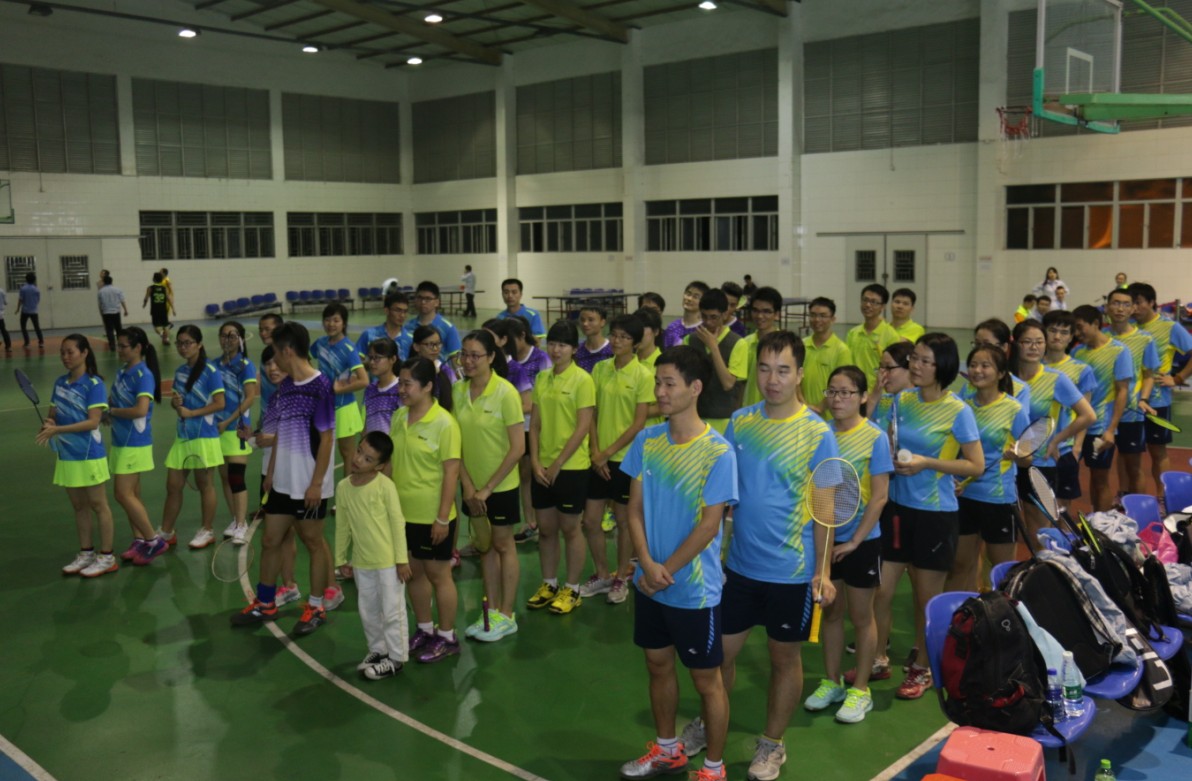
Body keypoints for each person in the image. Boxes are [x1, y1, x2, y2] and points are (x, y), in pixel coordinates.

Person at [682, 332, 841, 779]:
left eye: (783, 370)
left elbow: (826, 508)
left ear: (800, 374)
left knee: (783, 658)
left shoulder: (818, 433)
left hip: (792, 571)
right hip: (739, 567)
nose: (773, 380)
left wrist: (823, 571)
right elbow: (723, 492)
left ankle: (772, 744)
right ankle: (708, 721)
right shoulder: (741, 422)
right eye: (766, 369)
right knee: (718, 657)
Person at [619, 346, 737, 781]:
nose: (660, 392)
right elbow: (633, 509)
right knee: (657, 665)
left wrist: (662, 570)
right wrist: (647, 565)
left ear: (695, 388)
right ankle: (667, 750)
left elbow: (710, 525)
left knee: (707, 681)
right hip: (650, 581)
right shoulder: (647, 440)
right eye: (658, 383)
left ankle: (714, 768)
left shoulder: (717, 452)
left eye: (669, 383)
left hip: (694, 590)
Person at [874, 333, 983, 700]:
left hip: (935, 514)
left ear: (943, 367)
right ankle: (878, 658)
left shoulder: (958, 410)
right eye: (914, 359)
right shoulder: (901, 400)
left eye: (924, 361)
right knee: (880, 590)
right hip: (897, 509)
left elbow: (975, 465)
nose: (915, 366)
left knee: (925, 597)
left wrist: (928, 463)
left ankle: (922, 668)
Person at [231, 322, 336, 636]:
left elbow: (327, 439)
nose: (274, 359)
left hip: (309, 483)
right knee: (270, 540)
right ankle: (265, 602)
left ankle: (315, 607)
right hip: (282, 482)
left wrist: (316, 484)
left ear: (288, 350)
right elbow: (281, 432)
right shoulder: (286, 387)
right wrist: (272, 471)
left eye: (276, 351)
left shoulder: (321, 386)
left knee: (313, 542)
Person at [805, 365, 890, 727]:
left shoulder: (875, 437)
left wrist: (855, 541)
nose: (838, 399)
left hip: (862, 541)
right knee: (831, 613)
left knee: (861, 616)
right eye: (832, 392)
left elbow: (880, 496)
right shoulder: (820, 434)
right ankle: (832, 681)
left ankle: (860, 689)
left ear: (863, 396)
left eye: (846, 393)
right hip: (825, 538)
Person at [454, 329, 525, 642]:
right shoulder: (458, 391)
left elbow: (518, 448)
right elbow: (455, 444)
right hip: (471, 486)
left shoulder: (506, 393)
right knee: (485, 548)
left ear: (491, 357)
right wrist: (469, 486)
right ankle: (491, 611)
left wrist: (487, 489)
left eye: (475, 355)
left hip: (501, 486)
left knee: (503, 545)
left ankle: (507, 615)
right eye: (464, 354)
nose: (468, 361)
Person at [390, 358, 462, 663]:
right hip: (403, 514)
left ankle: (447, 637)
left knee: (438, 575)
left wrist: (442, 518)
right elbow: (392, 465)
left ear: (428, 386)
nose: (401, 389)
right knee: (414, 573)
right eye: (400, 383)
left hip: (433, 516)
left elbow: (451, 473)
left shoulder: (444, 423)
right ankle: (424, 628)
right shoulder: (399, 417)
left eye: (407, 383)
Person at [579, 314, 652, 605]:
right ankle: (602, 573)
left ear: (635, 343)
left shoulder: (643, 375)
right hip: (598, 458)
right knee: (591, 520)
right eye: (615, 335)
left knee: (624, 521)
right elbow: (592, 413)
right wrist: (596, 453)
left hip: (627, 459)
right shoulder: (600, 369)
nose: (617, 341)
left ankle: (621, 576)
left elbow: (638, 423)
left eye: (624, 337)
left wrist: (607, 453)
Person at [947, 345, 1028, 593]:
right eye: (973, 365)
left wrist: (1018, 456)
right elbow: (951, 450)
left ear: (1001, 373)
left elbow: (1028, 459)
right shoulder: (961, 407)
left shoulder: (1014, 409)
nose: (977, 371)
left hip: (998, 497)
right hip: (964, 496)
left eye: (985, 366)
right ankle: (964, 612)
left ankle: (1004, 613)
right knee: (960, 566)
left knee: (1003, 571)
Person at [527, 320, 596, 615]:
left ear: (574, 349)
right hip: (541, 466)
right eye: (552, 344)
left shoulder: (583, 380)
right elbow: (535, 425)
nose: (556, 350)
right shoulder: (542, 379)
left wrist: (557, 463)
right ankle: (549, 584)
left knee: (570, 528)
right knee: (545, 529)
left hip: (572, 467)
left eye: (563, 345)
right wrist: (534, 461)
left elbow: (583, 427)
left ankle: (572, 588)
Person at [37, 334, 116, 577]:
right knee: (79, 506)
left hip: (89, 454)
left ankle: (107, 557)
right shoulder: (60, 383)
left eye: (70, 352)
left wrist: (57, 430)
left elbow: (93, 422)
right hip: (67, 454)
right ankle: (86, 553)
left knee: (98, 505)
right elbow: (53, 414)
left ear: (84, 353)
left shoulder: (94, 384)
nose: (65, 357)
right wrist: (50, 423)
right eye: (62, 352)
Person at [335, 431, 411, 680]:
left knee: (392, 611)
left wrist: (401, 560)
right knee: (368, 610)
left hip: (388, 563)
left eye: (368, 459)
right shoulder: (343, 487)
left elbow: (397, 523)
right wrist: (340, 559)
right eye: (359, 452)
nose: (358, 459)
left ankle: (397, 658)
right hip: (362, 562)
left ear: (379, 466)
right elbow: (342, 526)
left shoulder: (385, 486)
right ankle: (378, 649)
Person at [1009, 319, 1095, 535]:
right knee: (1010, 530)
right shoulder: (1006, 379)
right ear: (1016, 344)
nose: (1034, 347)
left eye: (1039, 342)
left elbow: (1088, 415)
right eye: (1027, 342)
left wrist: (1056, 440)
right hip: (1007, 463)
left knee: (1040, 531)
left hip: (1040, 463)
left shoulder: (1056, 379)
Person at [158, 325, 226, 550]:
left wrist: (192, 413)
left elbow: (220, 403)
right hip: (183, 436)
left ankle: (207, 530)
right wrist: (175, 404)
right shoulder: (180, 372)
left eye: (187, 343)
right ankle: (166, 532)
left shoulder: (210, 371)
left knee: (205, 484)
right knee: (173, 485)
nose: (183, 347)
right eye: (179, 343)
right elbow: (178, 403)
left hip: (204, 436)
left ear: (199, 344)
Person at [108, 327, 167, 566]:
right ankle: (139, 540)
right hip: (120, 439)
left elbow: (141, 410)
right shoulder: (122, 372)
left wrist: (111, 412)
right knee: (133, 494)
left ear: (138, 347)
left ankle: (153, 541)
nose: (119, 350)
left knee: (122, 494)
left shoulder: (144, 374)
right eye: (118, 345)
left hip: (134, 442)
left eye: (124, 346)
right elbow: (114, 401)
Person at [1129, 283, 1192, 500]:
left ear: (1151, 303)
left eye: (1138, 302)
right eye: (1131, 303)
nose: (1134, 308)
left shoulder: (1169, 327)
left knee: (1157, 451)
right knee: (1129, 454)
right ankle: (1130, 498)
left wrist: (1178, 378)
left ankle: (1164, 498)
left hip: (1157, 401)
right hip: (1128, 403)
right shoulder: (1128, 327)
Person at [1069, 305, 1132, 511]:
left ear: (1096, 324)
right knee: (1070, 476)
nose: (1077, 333)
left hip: (1100, 427)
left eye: (1080, 327)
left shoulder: (1119, 351)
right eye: (1074, 329)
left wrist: (1111, 429)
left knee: (1099, 478)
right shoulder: (1077, 351)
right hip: (1076, 426)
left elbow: (1122, 391)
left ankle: (1101, 523)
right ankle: (1093, 519)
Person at [1104, 287, 1159, 497]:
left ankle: (1139, 510)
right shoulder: (1100, 337)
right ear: (1107, 307)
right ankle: (1118, 503)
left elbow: (1149, 374)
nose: (1120, 308)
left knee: (1133, 466)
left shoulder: (1145, 339)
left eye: (1126, 304)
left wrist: (1143, 398)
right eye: (1116, 303)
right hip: (1103, 415)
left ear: (1132, 308)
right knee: (1101, 470)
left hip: (1131, 413)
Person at [505, 316, 551, 545]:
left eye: (510, 339)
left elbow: (546, 395)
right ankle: (530, 522)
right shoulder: (508, 361)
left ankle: (544, 522)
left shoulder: (541, 358)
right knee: (523, 474)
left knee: (537, 472)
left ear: (522, 335)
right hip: (515, 427)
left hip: (537, 425)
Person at [213, 321, 259, 545]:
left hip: (236, 428)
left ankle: (242, 525)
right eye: (224, 335)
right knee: (225, 477)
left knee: (236, 477)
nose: (227, 340)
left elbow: (249, 398)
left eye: (232, 336)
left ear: (240, 340)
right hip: (217, 429)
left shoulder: (245, 365)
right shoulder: (213, 365)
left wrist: (228, 421)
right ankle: (235, 519)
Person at [312, 303, 368, 479]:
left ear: (344, 323)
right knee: (321, 451)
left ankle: (347, 491)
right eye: (327, 320)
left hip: (344, 408)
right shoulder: (320, 344)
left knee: (347, 454)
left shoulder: (349, 348)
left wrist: (340, 389)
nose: (331, 324)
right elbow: (304, 359)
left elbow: (364, 380)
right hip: (323, 406)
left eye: (336, 320)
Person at [685, 288, 747, 433]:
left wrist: (713, 347)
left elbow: (728, 384)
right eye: (704, 316)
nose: (708, 322)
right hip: (695, 417)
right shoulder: (690, 340)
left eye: (714, 317)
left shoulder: (738, 344)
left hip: (724, 420)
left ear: (724, 314)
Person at [844, 283, 901, 396]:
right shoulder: (853, 333)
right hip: (856, 393)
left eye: (874, 302)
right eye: (865, 300)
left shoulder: (891, 335)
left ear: (883, 306)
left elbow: (894, 370)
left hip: (880, 395)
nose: (868, 305)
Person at [802, 296, 853, 415]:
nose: (817, 319)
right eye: (813, 315)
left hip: (830, 417)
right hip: (803, 413)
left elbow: (841, 385)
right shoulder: (801, 345)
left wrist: (819, 408)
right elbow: (795, 380)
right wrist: (803, 405)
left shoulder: (841, 350)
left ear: (833, 319)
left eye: (823, 316)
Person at [739, 286, 783, 408]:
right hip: (750, 412)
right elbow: (741, 384)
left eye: (766, 311)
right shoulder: (744, 344)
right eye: (755, 310)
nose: (759, 316)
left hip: (777, 412)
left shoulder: (786, 347)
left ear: (777, 314)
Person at [356, 291, 413, 366]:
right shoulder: (369, 335)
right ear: (386, 310)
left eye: (405, 311)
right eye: (398, 310)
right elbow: (356, 362)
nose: (402, 315)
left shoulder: (410, 339)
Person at [411, 324, 457, 412]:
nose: (435, 349)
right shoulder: (408, 371)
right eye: (430, 344)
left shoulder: (447, 372)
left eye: (438, 344)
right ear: (416, 347)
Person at [869, 341, 914, 430]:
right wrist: (875, 394)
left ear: (910, 368)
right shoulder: (882, 401)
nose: (882, 375)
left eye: (889, 368)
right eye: (881, 368)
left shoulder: (920, 404)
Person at [362, 338, 401, 435]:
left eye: (377, 358)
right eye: (370, 358)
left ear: (393, 359)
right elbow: (367, 424)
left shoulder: (401, 389)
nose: (372, 362)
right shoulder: (370, 389)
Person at [663, 280, 709, 348]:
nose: (689, 299)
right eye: (688, 294)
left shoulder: (705, 329)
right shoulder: (672, 327)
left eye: (695, 297)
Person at [576, 304, 612, 373]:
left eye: (591, 320)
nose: (585, 324)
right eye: (582, 320)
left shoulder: (612, 350)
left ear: (602, 322)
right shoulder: (577, 351)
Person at [97, 273, 128, 351]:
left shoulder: (101, 291)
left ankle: (112, 345)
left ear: (104, 282)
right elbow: (122, 300)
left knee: (109, 329)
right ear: (111, 281)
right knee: (118, 329)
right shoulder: (118, 290)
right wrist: (125, 310)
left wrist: (101, 312)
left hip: (106, 312)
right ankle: (120, 343)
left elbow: (100, 303)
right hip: (116, 312)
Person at [143, 272, 173, 346]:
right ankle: (166, 338)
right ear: (162, 279)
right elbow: (169, 299)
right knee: (165, 326)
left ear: (153, 279)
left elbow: (146, 298)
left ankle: (162, 334)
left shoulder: (150, 288)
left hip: (155, 310)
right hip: (163, 310)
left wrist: (144, 304)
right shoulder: (164, 288)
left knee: (156, 326)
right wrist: (173, 308)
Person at [16, 271, 44, 349]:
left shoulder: (23, 289)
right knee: (37, 327)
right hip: (34, 311)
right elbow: (38, 300)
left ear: (26, 279)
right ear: (34, 280)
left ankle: (27, 343)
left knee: (23, 327)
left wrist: (18, 308)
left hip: (25, 311)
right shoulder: (36, 289)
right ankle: (41, 342)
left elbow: (21, 300)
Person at [0, 286, 11, 352]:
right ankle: (8, 346)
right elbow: (6, 302)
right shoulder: (2, 291)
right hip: (0, 314)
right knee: (3, 330)